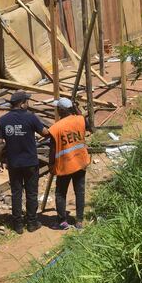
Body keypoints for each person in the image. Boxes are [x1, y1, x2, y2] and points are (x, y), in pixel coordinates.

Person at [0, 90, 49, 234]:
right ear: (22, 103)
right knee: (31, 193)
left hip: (13, 163)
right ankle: (31, 223)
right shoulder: (31, 117)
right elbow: (45, 133)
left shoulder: (3, 120)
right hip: (30, 162)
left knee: (16, 193)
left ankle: (18, 225)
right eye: (27, 101)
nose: (28, 104)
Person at [48, 98, 91, 230]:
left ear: (61, 110)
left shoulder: (55, 128)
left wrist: (51, 165)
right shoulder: (80, 120)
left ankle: (62, 222)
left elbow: (52, 150)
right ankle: (79, 221)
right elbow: (89, 126)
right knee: (80, 192)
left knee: (61, 193)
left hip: (64, 165)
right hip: (80, 162)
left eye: (57, 108)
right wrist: (76, 107)